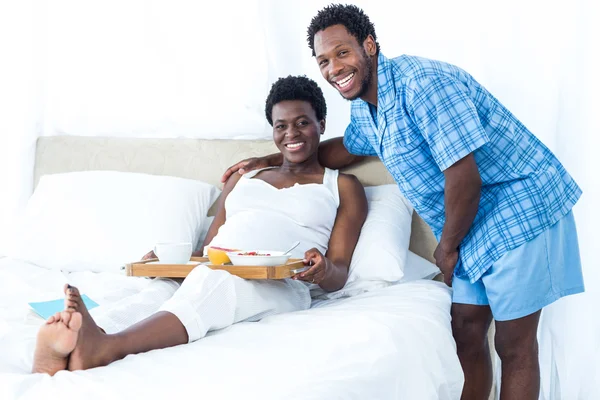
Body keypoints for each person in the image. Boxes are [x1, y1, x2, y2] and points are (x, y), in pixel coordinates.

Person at [220, 4, 584, 400]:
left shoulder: (423, 85)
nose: (333, 68)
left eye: (342, 53)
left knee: (514, 346)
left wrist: (446, 250)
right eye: (323, 60)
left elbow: (464, 178)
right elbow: (346, 149)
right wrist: (277, 157)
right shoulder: (366, 106)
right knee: (465, 328)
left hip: (520, 203)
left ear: (369, 46)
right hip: (473, 220)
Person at [31, 75, 367, 376]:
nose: (291, 134)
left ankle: (107, 348)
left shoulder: (341, 186)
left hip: (281, 285)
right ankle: (74, 340)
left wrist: (321, 271)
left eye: (302, 123)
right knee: (160, 291)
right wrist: (167, 262)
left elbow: (338, 272)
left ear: (322, 124)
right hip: (214, 266)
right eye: (281, 126)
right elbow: (208, 248)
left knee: (213, 284)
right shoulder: (244, 177)